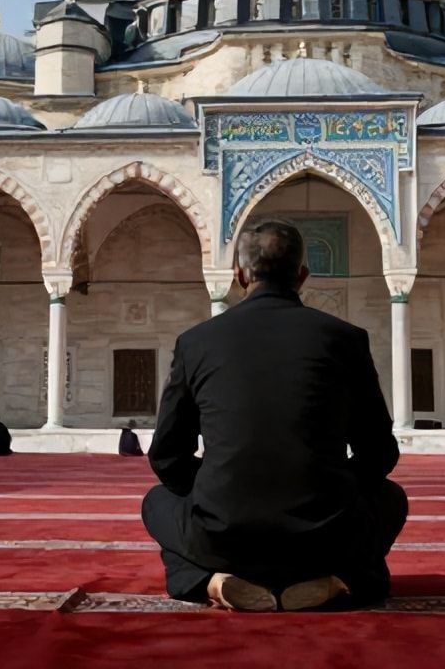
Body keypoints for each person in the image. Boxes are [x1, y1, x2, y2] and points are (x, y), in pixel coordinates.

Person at [142, 221, 405, 612]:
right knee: (391, 498)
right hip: (324, 537)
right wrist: (333, 488)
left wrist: (219, 487)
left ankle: (206, 581)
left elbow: (166, 457)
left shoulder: (196, 342)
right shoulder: (346, 339)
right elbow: (380, 454)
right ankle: (339, 580)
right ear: (302, 276)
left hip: (225, 536)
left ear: (238, 275)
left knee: (156, 502)